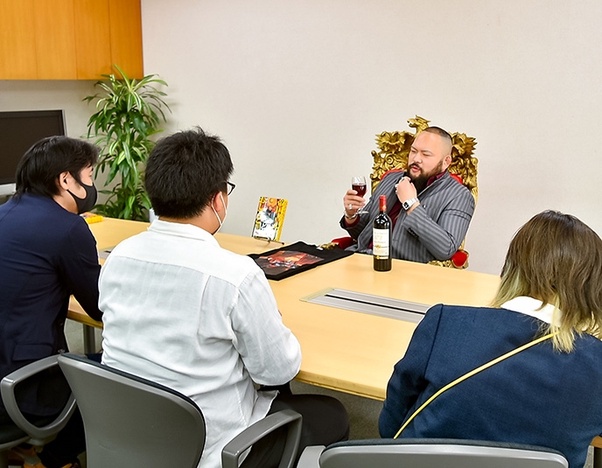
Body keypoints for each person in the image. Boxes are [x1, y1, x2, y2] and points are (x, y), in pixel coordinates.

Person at [98, 128, 349, 468]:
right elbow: (277, 370)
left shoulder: (119, 257)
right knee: (332, 414)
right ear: (217, 200)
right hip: (212, 449)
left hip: (128, 431)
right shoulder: (234, 274)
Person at [378, 210, 602, 468]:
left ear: (512, 268)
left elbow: (390, 427)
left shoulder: (445, 322)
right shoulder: (596, 363)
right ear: (591, 287)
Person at [0, 136, 103, 468]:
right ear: (66, 180)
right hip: (11, 392)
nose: (92, 186)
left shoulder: (2, 213)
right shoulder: (68, 228)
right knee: (115, 375)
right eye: (89, 176)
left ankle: (28, 449)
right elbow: (100, 307)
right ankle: (54, 460)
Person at [340, 127, 475, 263]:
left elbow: (446, 249)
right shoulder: (390, 179)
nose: (416, 159)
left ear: (446, 161)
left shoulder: (459, 196)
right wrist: (351, 216)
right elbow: (363, 233)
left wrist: (411, 204)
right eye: (413, 151)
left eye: (426, 154)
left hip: (400, 269)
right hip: (360, 258)